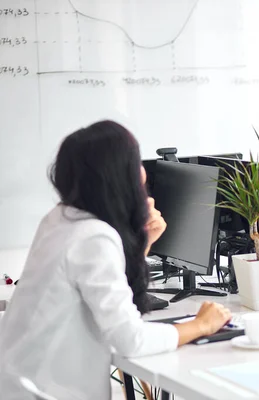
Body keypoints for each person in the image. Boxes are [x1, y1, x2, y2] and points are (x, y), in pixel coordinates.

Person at [0, 120, 232, 399]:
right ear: (119, 176)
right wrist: (201, 325)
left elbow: (110, 293)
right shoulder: (93, 236)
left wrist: (143, 242)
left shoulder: (60, 219)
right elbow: (130, 341)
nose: (143, 173)